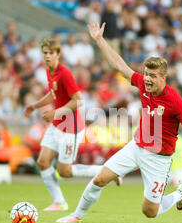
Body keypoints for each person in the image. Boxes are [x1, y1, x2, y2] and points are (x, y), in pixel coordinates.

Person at [56, 21, 182, 223]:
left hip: (159, 159)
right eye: (146, 74)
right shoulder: (143, 85)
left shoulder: (175, 101)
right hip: (136, 147)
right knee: (100, 178)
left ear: (163, 77)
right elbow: (120, 66)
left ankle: (180, 193)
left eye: (153, 76)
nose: (147, 79)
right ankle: (76, 216)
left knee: (149, 212)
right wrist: (100, 40)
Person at [24, 38, 121, 212]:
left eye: (50, 53)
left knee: (65, 172)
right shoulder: (49, 71)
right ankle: (59, 202)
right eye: (44, 53)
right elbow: (53, 95)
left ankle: (109, 171)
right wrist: (35, 105)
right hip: (57, 125)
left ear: (58, 54)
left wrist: (56, 112)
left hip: (70, 128)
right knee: (43, 162)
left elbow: (78, 101)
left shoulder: (64, 74)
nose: (47, 56)